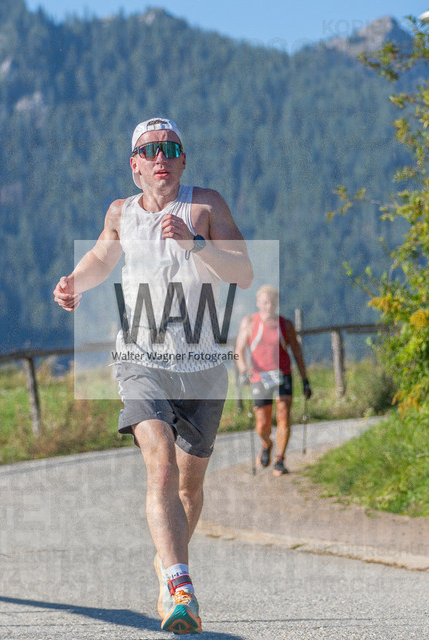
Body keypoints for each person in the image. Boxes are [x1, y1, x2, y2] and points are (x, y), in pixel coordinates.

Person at [53, 117, 252, 634]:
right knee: (160, 465)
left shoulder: (205, 206)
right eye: (150, 149)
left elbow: (244, 271)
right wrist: (74, 282)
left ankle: (167, 566)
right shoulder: (120, 212)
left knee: (188, 487)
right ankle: (182, 588)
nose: (161, 157)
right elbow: (102, 256)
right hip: (140, 357)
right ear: (135, 165)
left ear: (183, 160)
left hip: (203, 363)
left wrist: (196, 244)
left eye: (171, 148)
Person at [235, 285, 311, 476]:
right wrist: (244, 371)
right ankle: (267, 443)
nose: (268, 306)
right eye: (265, 302)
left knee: (283, 413)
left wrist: (305, 380)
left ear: (276, 303)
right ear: (258, 303)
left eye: (272, 302)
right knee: (263, 423)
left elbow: (297, 352)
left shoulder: (286, 325)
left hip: (282, 374)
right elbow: (239, 352)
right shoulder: (249, 323)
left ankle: (279, 460)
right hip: (259, 377)